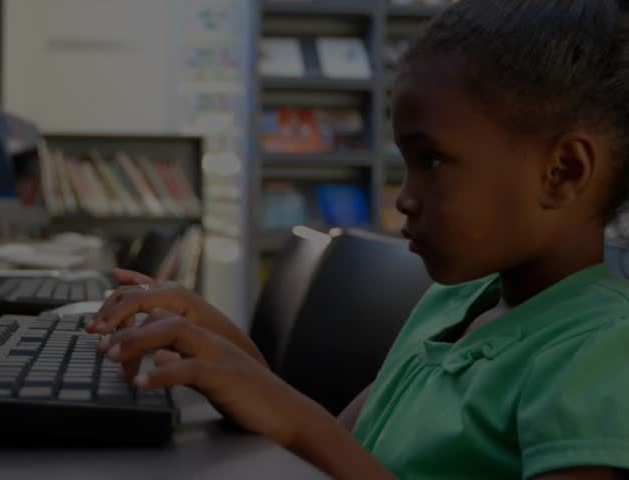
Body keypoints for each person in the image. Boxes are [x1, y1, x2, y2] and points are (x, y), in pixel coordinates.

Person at [87, 0, 629, 478]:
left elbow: (316, 440)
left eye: (432, 160)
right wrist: (218, 346)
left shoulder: (601, 350)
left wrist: (295, 420)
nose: (403, 198)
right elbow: (343, 448)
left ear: (564, 171)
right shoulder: (455, 302)